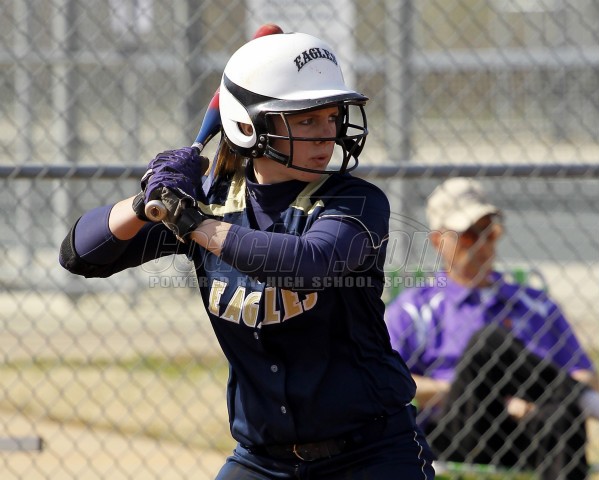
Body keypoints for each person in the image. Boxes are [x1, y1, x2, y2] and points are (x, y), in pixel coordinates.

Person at [59, 32, 435, 479]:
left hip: (371, 452)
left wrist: (193, 223)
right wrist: (145, 202)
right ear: (248, 126)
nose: (327, 135)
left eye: (332, 118)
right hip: (262, 460)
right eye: (307, 120)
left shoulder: (354, 200)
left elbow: (309, 264)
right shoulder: (211, 202)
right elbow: (82, 255)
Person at [385, 177, 599, 479]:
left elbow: (584, 372)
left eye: (490, 232)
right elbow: (385, 381)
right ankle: (582, 399)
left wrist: (531, 400)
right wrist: (476, 391)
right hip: (457, 427)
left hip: (527, 427)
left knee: (560, 414)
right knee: (490, 343)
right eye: (469, 235)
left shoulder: (534, 304)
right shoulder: (415, 308)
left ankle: (575, 400)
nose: (483, 244)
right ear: (437, 240)